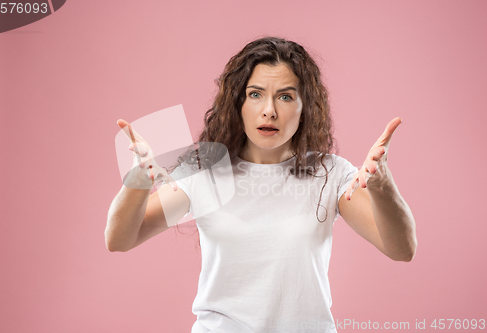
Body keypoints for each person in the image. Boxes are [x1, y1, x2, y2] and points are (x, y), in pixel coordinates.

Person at [105, 36, 417, 333]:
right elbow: (120, 239)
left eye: (285, 96)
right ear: (237, 103)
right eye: (255, 94)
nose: (269, 109)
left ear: (305, 106)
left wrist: (382, 188)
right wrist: (137, 180)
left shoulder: (329, 173)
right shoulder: (206, 171)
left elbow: (401, 249)